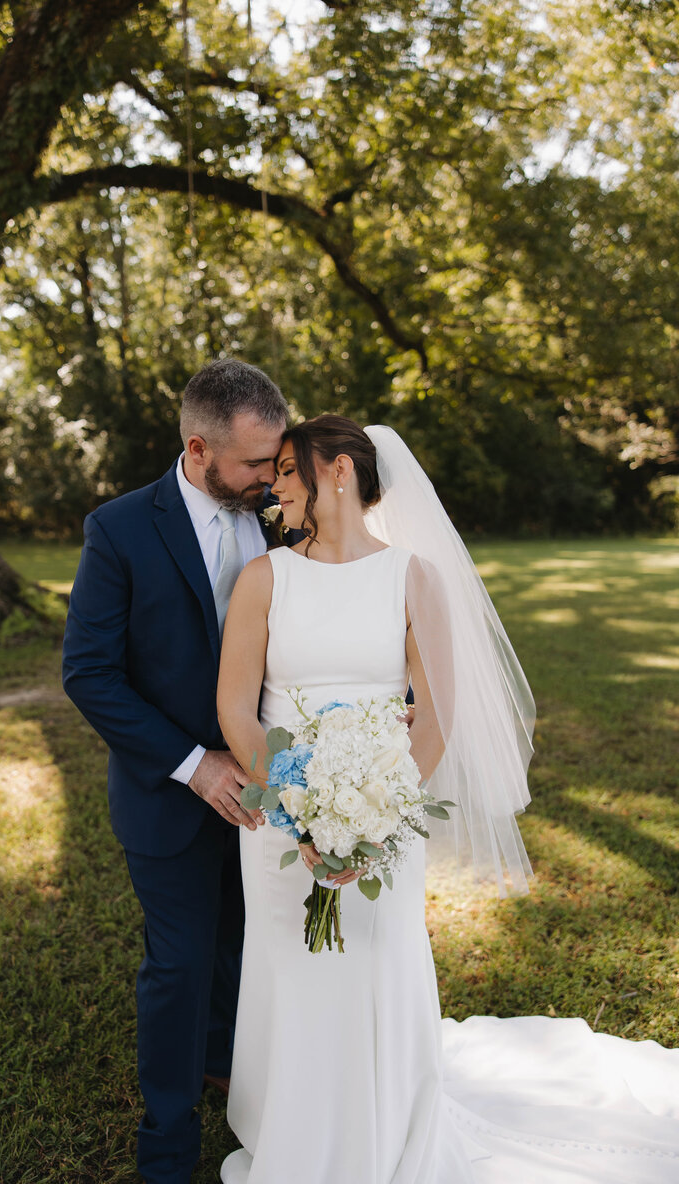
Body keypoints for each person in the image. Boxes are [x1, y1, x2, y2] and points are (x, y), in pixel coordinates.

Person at [216, 414, 679, 1184]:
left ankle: (388, 1127)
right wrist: (298, 812)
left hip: (381, 816)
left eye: (290, 470)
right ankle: (291, 1128)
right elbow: (237, 707)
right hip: (278, 819)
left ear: (337, 472)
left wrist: (374, 816)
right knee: (289, 969)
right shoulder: (266, 578)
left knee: (377, 964)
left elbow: (434, 716)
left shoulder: (411, 577)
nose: (277, 486)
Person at [62, 359, 289, 1184]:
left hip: (268, 790)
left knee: (248, 947)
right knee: (181, 961)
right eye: (258, 463)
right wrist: (196, 767)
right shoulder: (119, 529)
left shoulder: (279, 517)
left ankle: (232, 1073)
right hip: (170, 794)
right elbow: (88, 673)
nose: (273, 476)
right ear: (199, 450)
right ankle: (166, 1142)